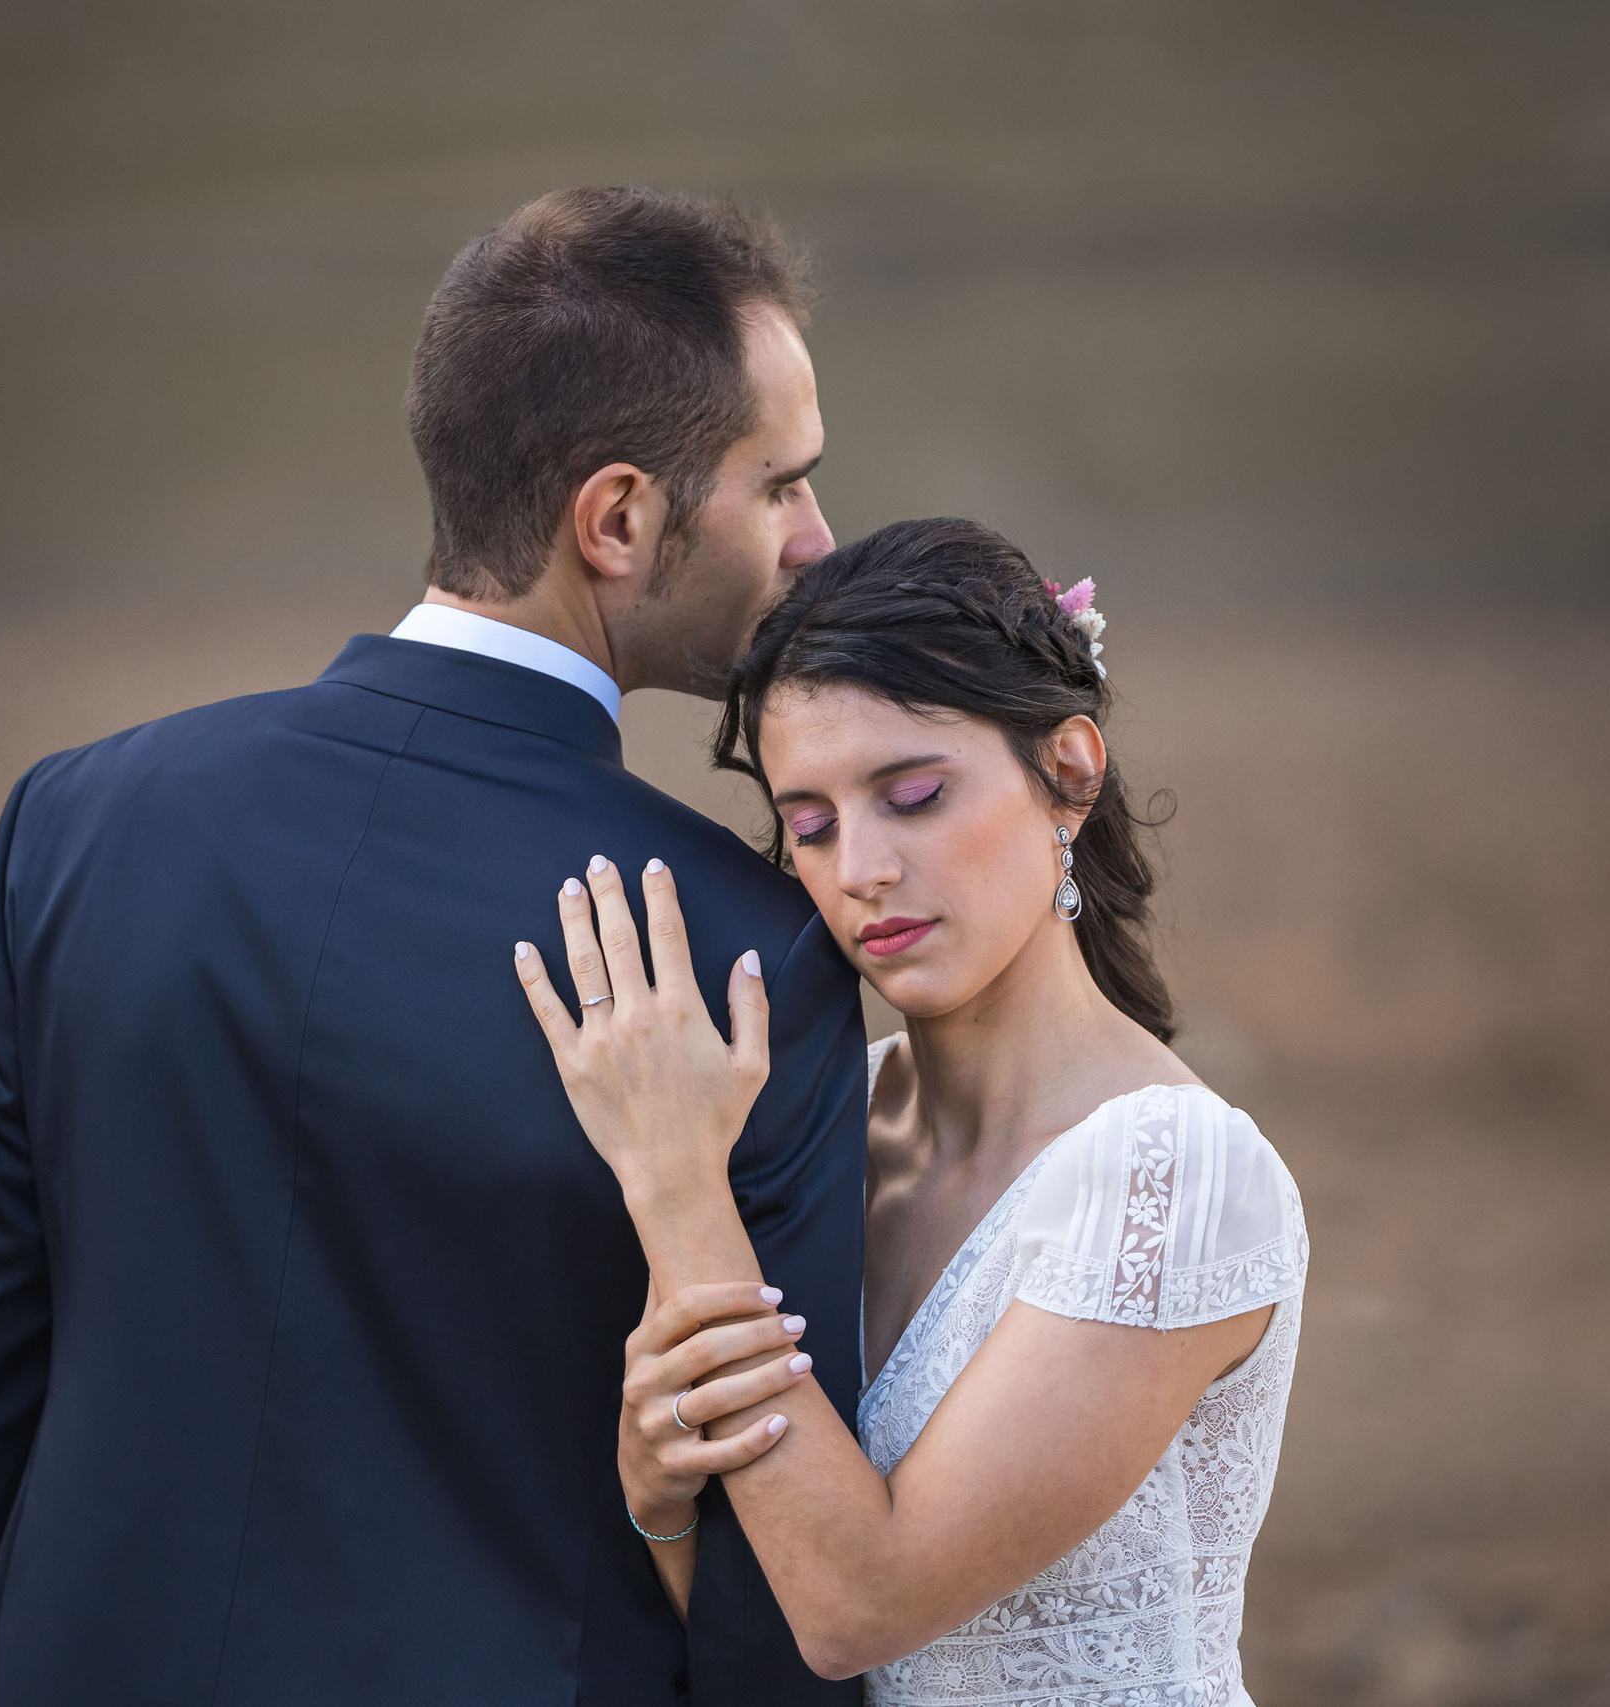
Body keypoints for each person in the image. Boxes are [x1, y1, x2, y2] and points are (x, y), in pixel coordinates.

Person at [0, 186, 869, 1705]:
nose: (817, 538)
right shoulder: (743, 953)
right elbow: (760, 1568)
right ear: (619, 519)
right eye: (780, 486)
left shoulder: (78, 825)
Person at [514, 518, 1308, 1706]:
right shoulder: (839, 1121)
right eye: (813, 824)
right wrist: (658, 1496)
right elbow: (764, 1621)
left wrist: (675, 1183)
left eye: (915, 795)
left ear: (1071, 773)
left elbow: (859, 1609)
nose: (860, 871)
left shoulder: (1175, 1175)